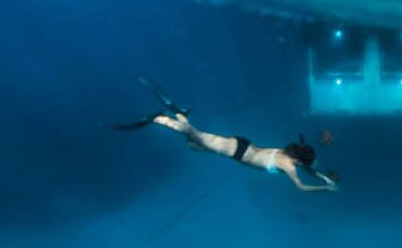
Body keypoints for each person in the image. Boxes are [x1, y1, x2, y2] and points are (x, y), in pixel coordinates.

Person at [111, 76, 339, 193]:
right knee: (196, 136)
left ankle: (180, 113)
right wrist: (325, 188)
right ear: (299, 160)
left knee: (194, 145)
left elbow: (309, 169)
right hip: (235, 150)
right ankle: (160, 119)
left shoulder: (289, 153)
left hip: (241, 146)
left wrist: (324, 177)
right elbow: (301, 187)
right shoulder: (289, 166)